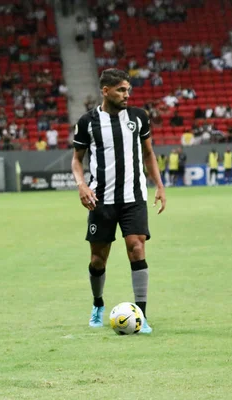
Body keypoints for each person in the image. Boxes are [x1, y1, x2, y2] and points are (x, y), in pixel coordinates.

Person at [71, 69, 166, 335]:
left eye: (128, 90)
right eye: (122, 90)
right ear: (106, 91)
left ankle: (142, 314)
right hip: (101, 199)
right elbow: (76, 160)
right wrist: (81, 186)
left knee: (137, 247)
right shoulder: (87, 122)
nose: (127, 95)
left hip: (134, 196)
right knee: (98, 259)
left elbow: (148, 153)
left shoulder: (138, 117)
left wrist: (159, 184)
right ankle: (98, 304)